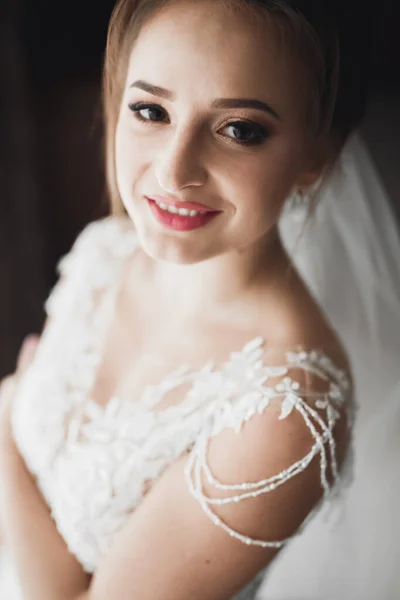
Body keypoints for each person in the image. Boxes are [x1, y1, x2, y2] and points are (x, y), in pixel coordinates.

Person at [0, 0, 396, 598]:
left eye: (240, 129)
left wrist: (3, 423)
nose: (175, 170)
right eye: (151, 110)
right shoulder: (108, 252)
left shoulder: (283, 415)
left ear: (318, 153)